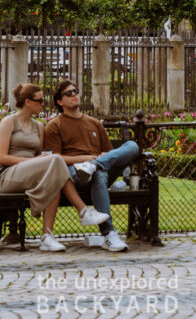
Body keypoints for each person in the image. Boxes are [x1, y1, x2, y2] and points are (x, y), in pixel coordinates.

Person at [0, 83, 108, 252]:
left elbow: (43, 158)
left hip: (32, 174)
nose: (43, 104)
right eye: (40, 101)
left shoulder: (39, 127)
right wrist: (31, 161)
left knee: (55, 177)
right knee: (55, 161)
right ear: (27, 102)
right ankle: (83, 211)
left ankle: (47, 237)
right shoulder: (9, 122)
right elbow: (2, 158)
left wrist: (38, 161)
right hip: (9, 175)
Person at [43, 79, 140, 252]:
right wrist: (85, 159)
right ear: (60, 101)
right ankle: (109, 234)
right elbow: (53, 160)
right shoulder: (54, 126)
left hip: (97, 169)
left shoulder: (94, 123)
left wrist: (97, 160)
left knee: (132, 146)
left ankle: (93, 166)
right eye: (68, 93)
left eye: (76, 91)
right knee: (98, 175)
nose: (74, 95)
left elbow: (110, 154)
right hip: (75, 175)